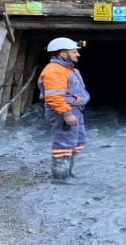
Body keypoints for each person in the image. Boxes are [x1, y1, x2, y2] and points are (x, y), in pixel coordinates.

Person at [38, 37, 90, 185]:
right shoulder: (54, 70)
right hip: (62, 112)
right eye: (74, 52)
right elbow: (54, 96)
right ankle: (60, 178)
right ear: (63, 54)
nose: (78, 54)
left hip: (74, 110)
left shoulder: (69, 70)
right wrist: (66, 113)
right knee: (64, 143)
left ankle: (68, 173)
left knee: (79, 140)